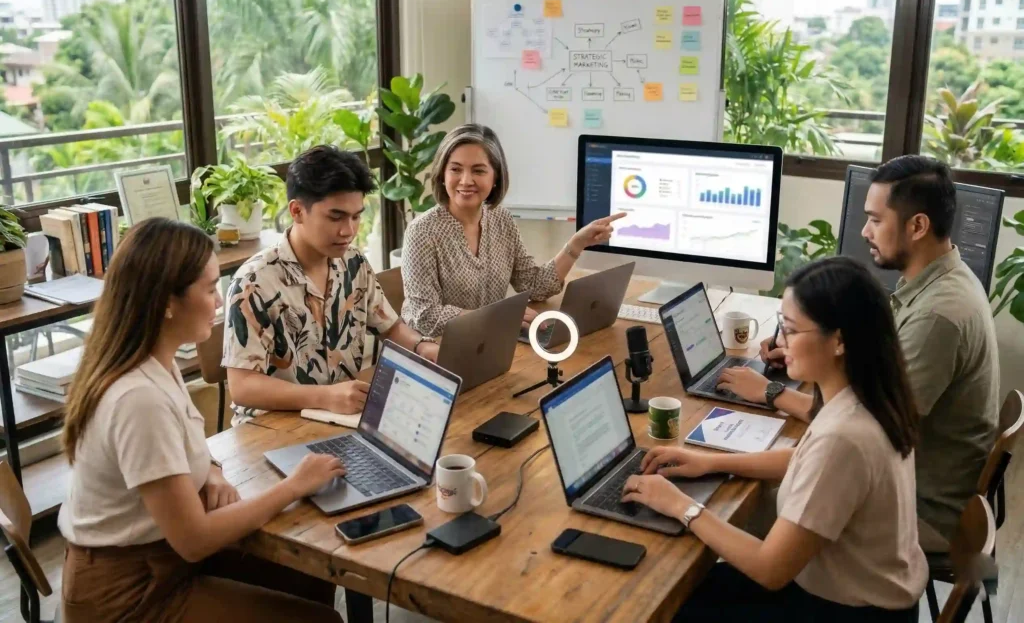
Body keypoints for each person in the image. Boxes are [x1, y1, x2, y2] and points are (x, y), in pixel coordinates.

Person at [59, 218, 344, 623]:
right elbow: (194, 540)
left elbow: (177, 446)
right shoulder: (138, 399)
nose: (219, 304)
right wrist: (293, 486)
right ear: (166, 303)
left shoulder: (156, 358)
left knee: (308, 576)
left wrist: (209, 470)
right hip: (129, 596)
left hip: (160, 559)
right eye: (210, 289)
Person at [622, 257, 926, 622]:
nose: (780, 342)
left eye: (792, 331)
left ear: (839, 341)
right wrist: (712, 462)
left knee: (662, 597)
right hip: (865, 595)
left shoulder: (844, 437)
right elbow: (804, 459)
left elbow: (770, 569)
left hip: (845, 611)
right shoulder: (868, 396)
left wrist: (680, 506)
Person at [721, 155, 1000, 549]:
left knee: (748, 496)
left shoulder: (939, 315)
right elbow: (881, 385)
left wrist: (772, 393)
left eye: (875, 219)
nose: (865, 231)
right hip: (919, 475)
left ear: (917, 225)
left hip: (922, 508)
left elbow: (872, 422)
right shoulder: (939, 282)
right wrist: (812, 350)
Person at [224, 145, 439, 426]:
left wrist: (424, 347)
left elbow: (391, 327)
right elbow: (243, 387)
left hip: (342, 419)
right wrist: (324, 397)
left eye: (356, 216)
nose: (348, 230)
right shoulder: (254, 283)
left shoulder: (354, 262)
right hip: (273, 429)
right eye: (335, 217)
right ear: (297, 211)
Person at [400, 123, 624, 337]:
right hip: (434, 352)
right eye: (455, 169)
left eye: (478, 171)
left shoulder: (501, 219)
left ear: (495, 177)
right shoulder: (422, 232)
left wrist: (576, 244)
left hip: (486, 342)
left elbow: (534, 286)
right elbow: (425, 317)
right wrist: (497, 317)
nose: (466, 180)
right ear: (442, 175)